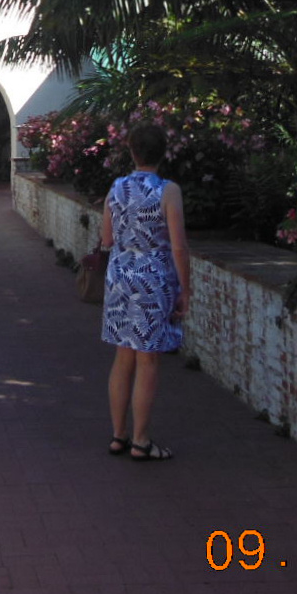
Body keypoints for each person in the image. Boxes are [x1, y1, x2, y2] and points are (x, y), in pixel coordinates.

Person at [100, 121, 190, 461]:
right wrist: (185, 289)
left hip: (120, 278)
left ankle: (118, 434)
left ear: (132, 151)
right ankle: (141, 440)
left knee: (123, 355)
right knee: (148, 359)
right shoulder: (168, 191)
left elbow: (106, 239)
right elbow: (178, 245)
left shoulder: (116, 188)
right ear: (163, 152)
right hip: (153, 281)